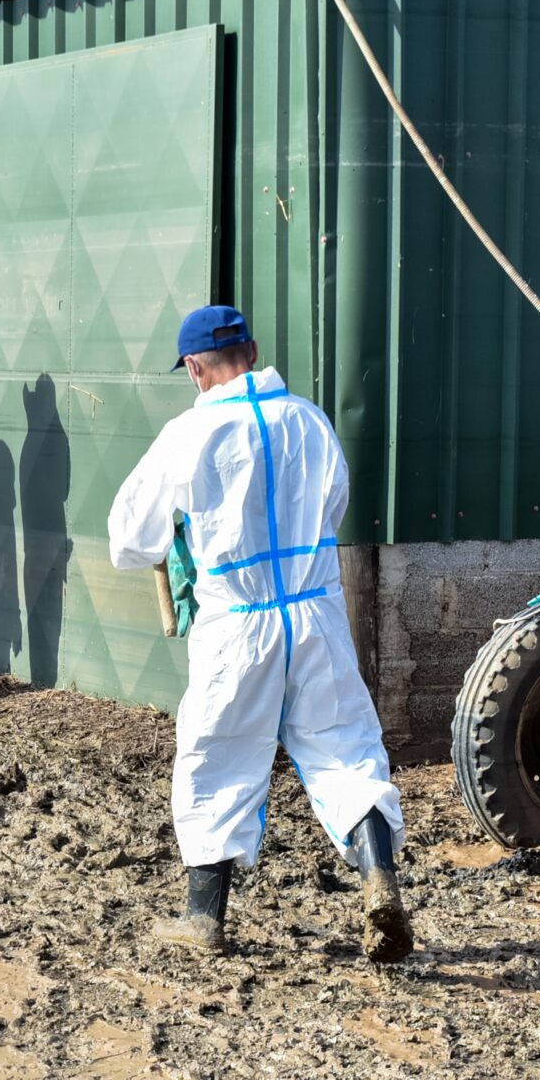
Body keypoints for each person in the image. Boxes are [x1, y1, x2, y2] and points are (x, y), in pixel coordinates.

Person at [106, 304, 413, 963]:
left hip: (236, 624)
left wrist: (181, 534)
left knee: (217, 758)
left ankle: (203, 917)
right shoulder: (310, 419)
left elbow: (129, 539)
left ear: (195, 367)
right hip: (314, 613)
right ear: (251, 349)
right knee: (347, 750)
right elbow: (334, 505)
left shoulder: (188, 434)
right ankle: (378, 876)